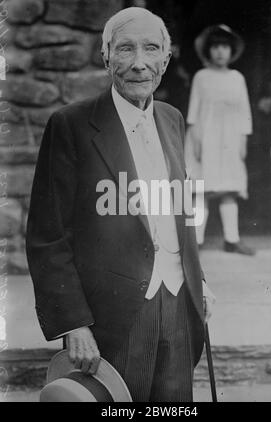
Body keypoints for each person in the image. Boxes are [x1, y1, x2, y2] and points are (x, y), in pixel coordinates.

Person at [26, 7, 215, 402]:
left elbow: (173, 214)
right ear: (105, 55)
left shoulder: (172, 118)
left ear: (166, 58)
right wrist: (73, 323)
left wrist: (198, 278)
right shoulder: (71, 124)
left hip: (179, 307)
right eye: (126, 50)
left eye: (151, 49)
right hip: (114, 320)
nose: (139, 64)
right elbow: (48, 236)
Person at [185, 24, 255, 255]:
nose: (220, 52)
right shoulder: (201, 77)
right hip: (205, 140)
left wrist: (243, 140)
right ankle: (196, 241)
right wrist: (195, 141)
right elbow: (193, 112)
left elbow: (245, 111)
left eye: (224, 46)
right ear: (208, 50)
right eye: (215, 46)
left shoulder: (237, 78)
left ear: (231, 50)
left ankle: (232, 240)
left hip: (230, 141)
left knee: (229, 190)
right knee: (202, 190)